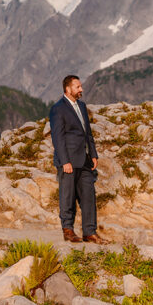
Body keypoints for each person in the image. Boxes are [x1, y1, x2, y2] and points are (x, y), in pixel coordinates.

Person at [49, 75, 103, 244]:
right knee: (68, 196)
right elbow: (57, 138)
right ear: (68, 89)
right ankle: (68, 230)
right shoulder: (58, 109)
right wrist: (65, 161)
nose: (81, 90)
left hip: (84, 160)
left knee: (88, 196)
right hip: (68, 162)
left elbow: (88, 133)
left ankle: (90, 232)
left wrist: (93, 154)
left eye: (81, 86)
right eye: (78, 87)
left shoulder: (82, 106)